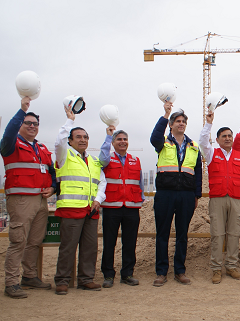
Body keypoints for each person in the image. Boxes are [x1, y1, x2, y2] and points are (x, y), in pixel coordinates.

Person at [1, 97, 56, 299]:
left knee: (34, 241)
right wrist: (22, 111)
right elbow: (7, 134)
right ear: (20, 124)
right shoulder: (11, 144)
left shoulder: (41, 149)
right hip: (21, 200)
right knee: (18, 241)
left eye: (35, 124)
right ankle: (12, 282)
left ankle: (29, 276)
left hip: (41, 201)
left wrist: (52, 187)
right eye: (28, 123)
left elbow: (52, 172)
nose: (32, 126)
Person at [53, 104, 110, 295]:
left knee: (90, 248)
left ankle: (86, 279)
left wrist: (98, 199)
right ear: (70, 141)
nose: (83, 140)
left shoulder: (93, 161)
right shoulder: (64, 156)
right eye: (78, 137)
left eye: (85, 137)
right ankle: (63, 281)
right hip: (70, 209)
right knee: (68, 247)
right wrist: (70, 121)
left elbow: (102, 182)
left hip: (90, 211)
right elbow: (59, 141)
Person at [150, 103, 202, 287]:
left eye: (183, 121)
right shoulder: (162, 142)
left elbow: (198, 172)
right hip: (165, 194)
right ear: (171, 124)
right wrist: (165, 114)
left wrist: (196, 195)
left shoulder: (194, 146)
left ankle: (180, 271)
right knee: (162, 233)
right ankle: (161, 272)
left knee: (182, 234)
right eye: (178, 121)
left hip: (186, 196)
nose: (181, 124)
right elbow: (153, 137)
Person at [199, 111, 240, 284]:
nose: (228, 138)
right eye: (224, 136)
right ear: (218, 139)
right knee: (217, 234)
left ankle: (231, 266)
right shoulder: (210, 153)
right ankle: (216, 269)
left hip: (237, 198)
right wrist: (208, 124)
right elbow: (202, 141)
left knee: (234, 233)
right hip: (218, 199)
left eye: (230, 135)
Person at [100, 130, 145, 288]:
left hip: (132, 207)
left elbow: (139, 181)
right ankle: (108, 274)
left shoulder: (135, 160)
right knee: (109, 242)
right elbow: (102, 157)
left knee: (130, 242)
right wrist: (107, 136)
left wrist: (142, 199)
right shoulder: (107, 159)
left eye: (125, 139)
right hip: (112, 206)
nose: (122, 141)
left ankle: (127, 274)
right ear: (113, 142)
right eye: (119, 139)